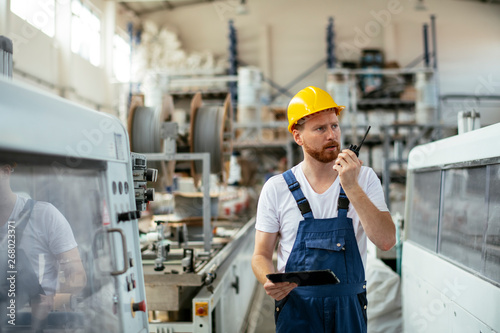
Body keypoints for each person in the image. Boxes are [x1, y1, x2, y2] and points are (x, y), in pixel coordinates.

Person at [251, 86, 396, 333]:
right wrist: (268, 280)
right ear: (298, 136)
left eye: (334, 126)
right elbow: (260, 255)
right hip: (297, 310)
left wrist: (351, 186)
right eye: (320, 129)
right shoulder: (276, 189)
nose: (332, 135)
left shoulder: (365, 179)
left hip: (348, 310)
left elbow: (386, 241)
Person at [0, 159, 87, 331]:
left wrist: (54, 300)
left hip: (35, 322)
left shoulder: (45, 216)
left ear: (6, 171)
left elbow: (78, 276)